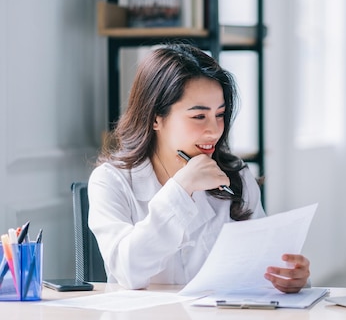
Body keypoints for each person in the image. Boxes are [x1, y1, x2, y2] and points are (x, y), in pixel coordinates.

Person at [88, 44, 310, 292]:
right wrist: (182, 188)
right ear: (155, 118)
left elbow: (262, 267)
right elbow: (127, 270)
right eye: (199, 117)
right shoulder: (110, 181)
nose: (214, 130)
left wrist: (289, 277)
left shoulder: (235, 175)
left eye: (220, 115)